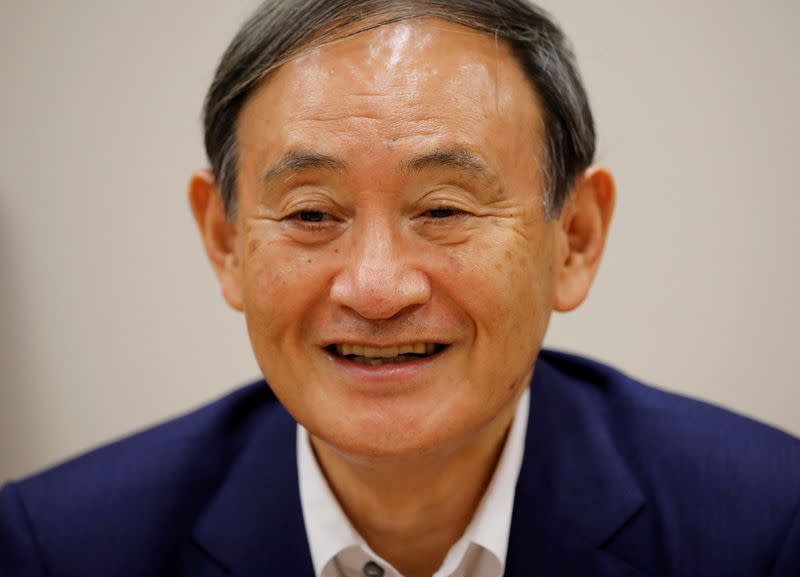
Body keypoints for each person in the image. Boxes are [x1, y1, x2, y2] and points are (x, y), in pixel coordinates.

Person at [2, 0, 799, 575]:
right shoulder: (59, 546)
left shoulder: (763, 527)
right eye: (313, 212)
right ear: (225, 241)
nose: (377, 287)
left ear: (575, 237)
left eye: (444, 208)